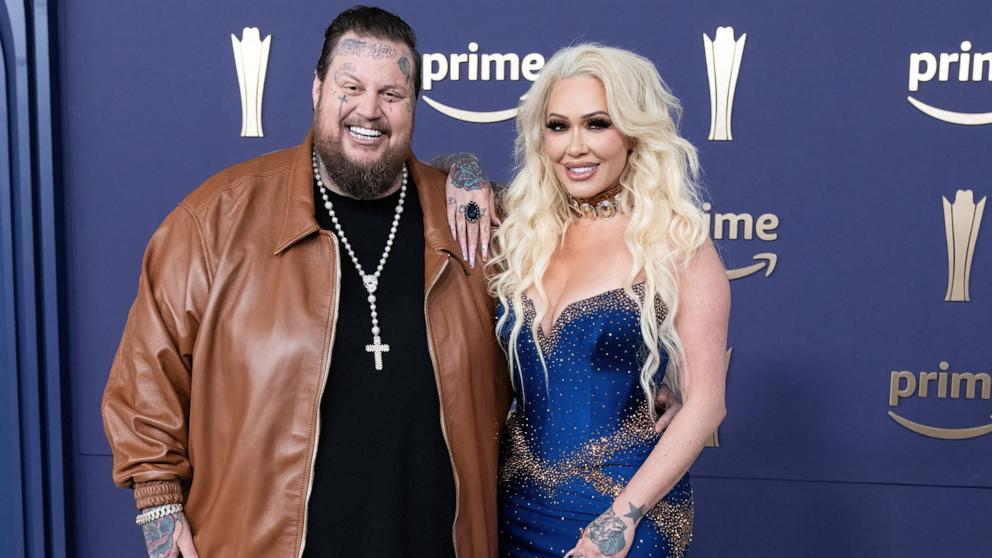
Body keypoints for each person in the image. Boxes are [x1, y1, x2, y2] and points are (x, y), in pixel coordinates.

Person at [478, 44, 730, 558]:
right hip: (515, 506)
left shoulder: (677, 243)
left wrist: (620, 522)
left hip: (624, 507)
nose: (575, 146)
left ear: (633, 133)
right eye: (557, 126)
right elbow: (428, 181)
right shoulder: (522, 231)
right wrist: (462, 169)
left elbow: (706, 404)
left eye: (596, 124)